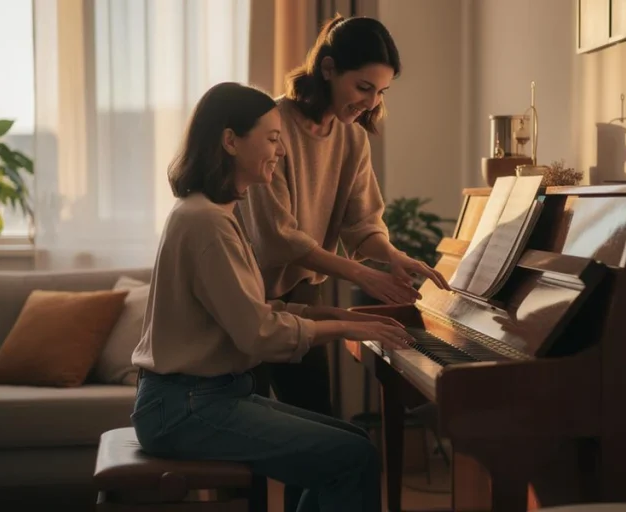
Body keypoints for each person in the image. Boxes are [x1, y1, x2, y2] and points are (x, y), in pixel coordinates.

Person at [130, 82, 414, 512]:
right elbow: (259, 334)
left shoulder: (212, 212)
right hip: (186, 407)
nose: (281, 152)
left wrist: (338, 313)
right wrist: (345, 327)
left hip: (196, 399)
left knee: (353, 442)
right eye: (273, 138)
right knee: (354, 458)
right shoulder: (207, 223)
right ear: (230, 141)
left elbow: (255, 309)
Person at [235, 12, 451, 474]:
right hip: (245, 297)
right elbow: (277, 238)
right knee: (256, 447)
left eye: (381, 92)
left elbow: (362, 225)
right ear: (328, 69)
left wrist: (392, 256)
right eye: (363, 87)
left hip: (302, 296)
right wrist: (360, 273)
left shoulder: (352, 139)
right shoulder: (273, 126)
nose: (371, 103)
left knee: (317, 433)